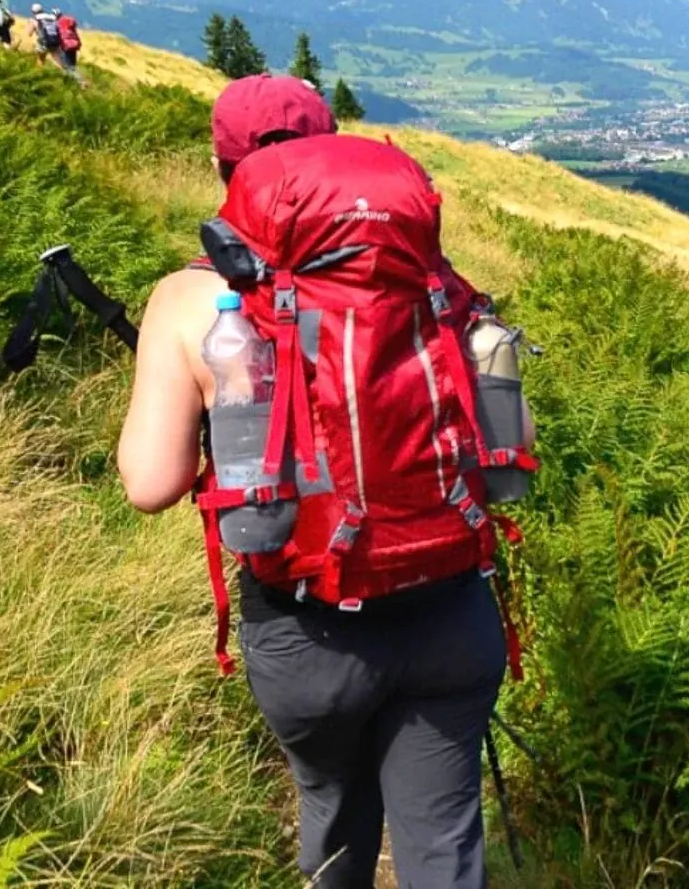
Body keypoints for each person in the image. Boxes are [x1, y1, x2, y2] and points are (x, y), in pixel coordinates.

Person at [117, 75, 527, 889]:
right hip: (450, 608)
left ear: (220, 164)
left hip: (307, 632)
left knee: (333, 817)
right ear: (335, 144)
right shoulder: (429, 281)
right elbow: (506, 452)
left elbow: (149, 483)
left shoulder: (189, 299)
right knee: (445, 844)